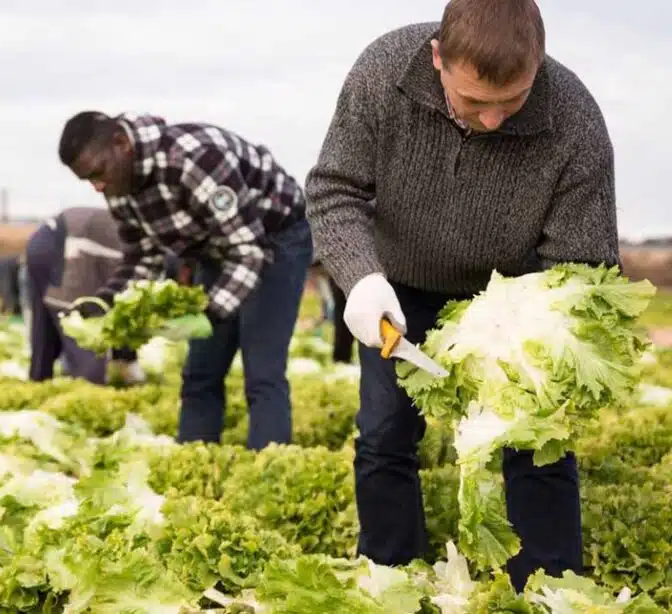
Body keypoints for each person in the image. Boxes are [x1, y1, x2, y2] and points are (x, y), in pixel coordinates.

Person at [304, 0, 618, 590]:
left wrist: (532, 338)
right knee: (385, 436)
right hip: (399, 290)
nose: (494, 119)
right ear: (437, 59)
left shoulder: (574, 119)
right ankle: (391, 578)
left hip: (517, 302)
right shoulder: (383, 72)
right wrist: (361, 277)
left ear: (539, 66)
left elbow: (583, 263)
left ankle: (549, 589)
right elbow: (335, 189)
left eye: (513, 101)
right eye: (474, 101)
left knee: (537, 442)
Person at [58, 110, 313, 451]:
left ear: (122, 143)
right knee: (200, 373)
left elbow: (249, 250)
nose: (97, 186)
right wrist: (103, 301)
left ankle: (269, 466)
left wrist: (208, 314)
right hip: (216, 249)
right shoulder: (118, 185)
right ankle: (194, 461)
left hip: (276, 239)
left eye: (99, 172)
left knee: (262, 371)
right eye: (87, 179)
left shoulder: (193, 160)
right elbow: (142, 258)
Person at [24, 206, 145, 385]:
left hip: (42, 239)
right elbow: (128, 303)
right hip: (69, 243)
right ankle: (86, 388)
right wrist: (127, 357)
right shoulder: (156, 253)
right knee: (82, 326)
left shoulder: (138, 231)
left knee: (46, 324)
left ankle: (39, 382)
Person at [311, 262, 353, 363]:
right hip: (338, 268)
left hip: (341, 268)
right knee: (341, 313)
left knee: (341, 312)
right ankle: (341, 357)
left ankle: (341, 357)